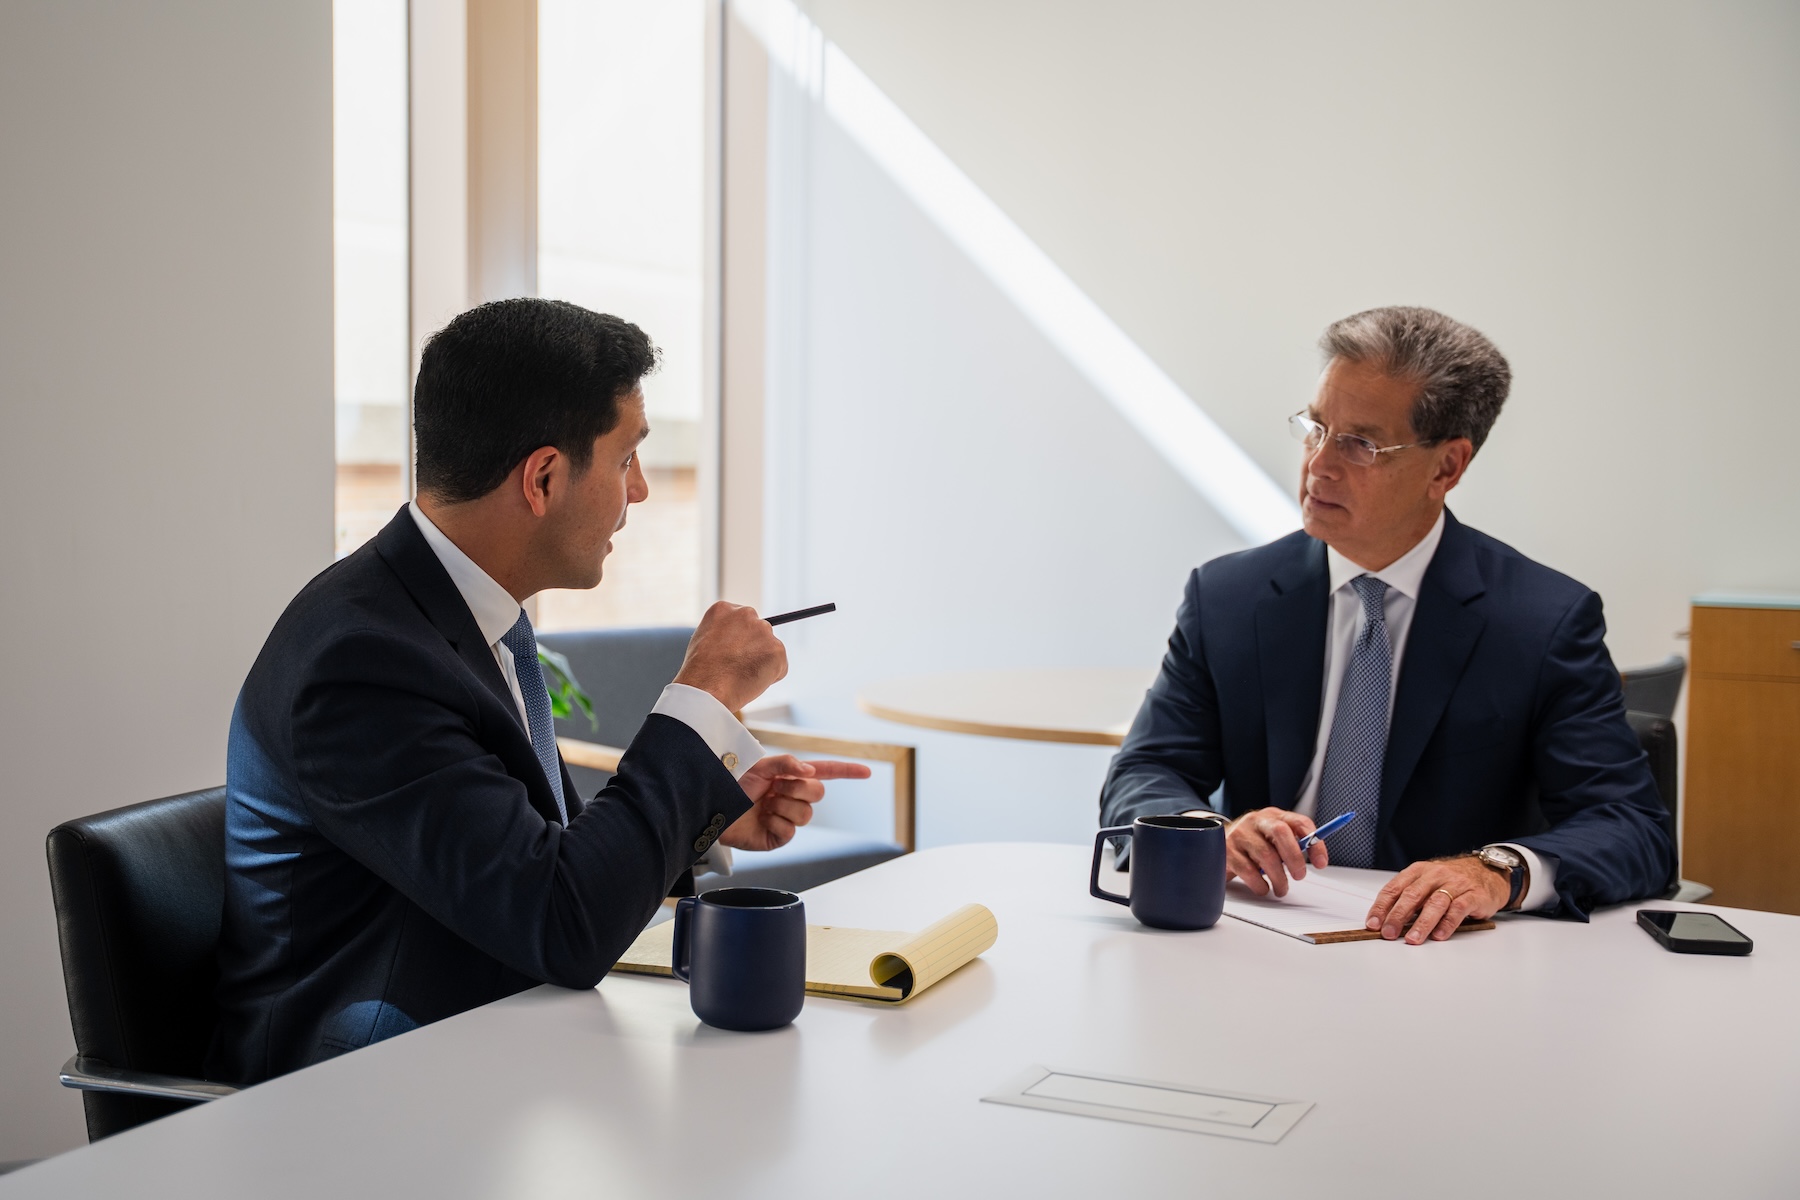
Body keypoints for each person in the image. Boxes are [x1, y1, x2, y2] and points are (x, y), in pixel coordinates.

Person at [209, 299, 868, 1083]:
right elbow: (562, 923)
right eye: (627, 459)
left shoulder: (457, 618)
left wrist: (705, 809)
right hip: (350, 1097)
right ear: (544, 478)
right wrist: (706, 690)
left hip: (489, 1053)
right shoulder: (363, 662)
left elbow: (537, 860)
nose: (643, 491)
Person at [1099, 306, 1673, 944]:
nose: (1319, 465)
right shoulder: (1229, 596)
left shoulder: (1541, 621)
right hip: (1259, 937)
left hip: (1443, 957)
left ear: (1447, 467)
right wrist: (1209, 834)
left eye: (1360, 444)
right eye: (1316, 428)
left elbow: (1632, 828)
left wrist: (1495, 871)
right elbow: (1144, 771)